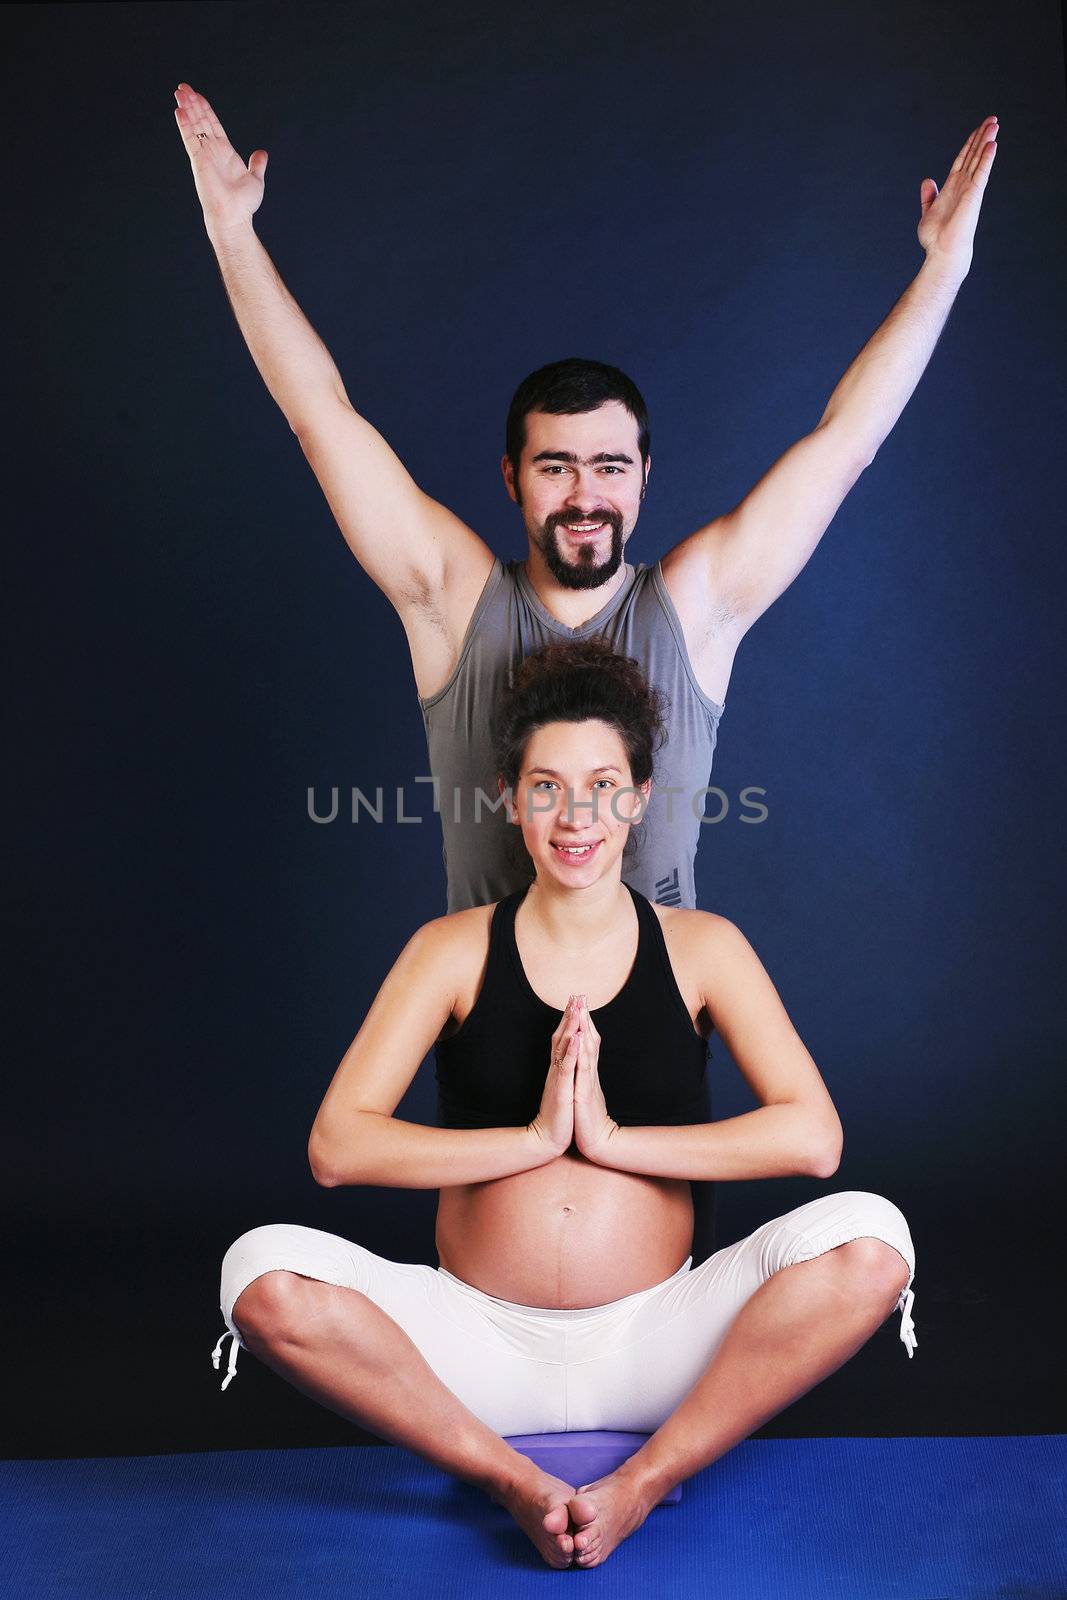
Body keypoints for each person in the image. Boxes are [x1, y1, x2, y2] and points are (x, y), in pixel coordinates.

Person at [173, 84, 999, 912]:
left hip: (655, 1019)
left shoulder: (695, 604)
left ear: (644, 477)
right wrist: (231, 234)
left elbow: (844, 445)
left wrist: (944, 270)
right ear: (511, 478)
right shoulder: (452, 601)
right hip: (489, 1010)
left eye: (608, 467)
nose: (582, 496)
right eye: (554, 466)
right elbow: (322, 419)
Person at [209, 638, 918, 1570]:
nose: (573, 815)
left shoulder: (704, 947)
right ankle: (506, 1476)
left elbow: (812, 1139)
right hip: (473, 1347)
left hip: (655, 1343)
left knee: (874, 1238)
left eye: (600, 785)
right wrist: (537, 1137)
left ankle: (644, 1480)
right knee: (258, 1271)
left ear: (637, 797)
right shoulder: (449, 949)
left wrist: (612, 1140)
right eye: (545, 786)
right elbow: (338, 1147)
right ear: (509, 797)